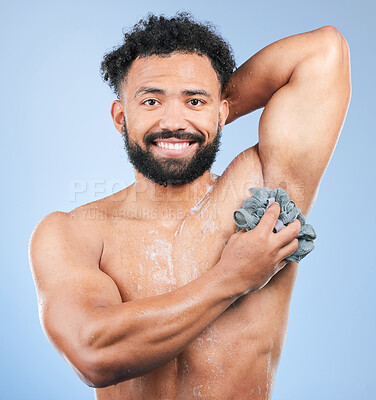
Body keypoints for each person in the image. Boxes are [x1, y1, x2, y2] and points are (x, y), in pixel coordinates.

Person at [29, 12, 351, 399]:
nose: (173, 120)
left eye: (194, 101)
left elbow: (322, 52)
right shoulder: (72, 232)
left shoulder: (262, 190)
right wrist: (231, 277)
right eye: (151, 101)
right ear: (121, 117)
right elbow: (94, 354)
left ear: (223, 112)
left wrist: (207, 108)